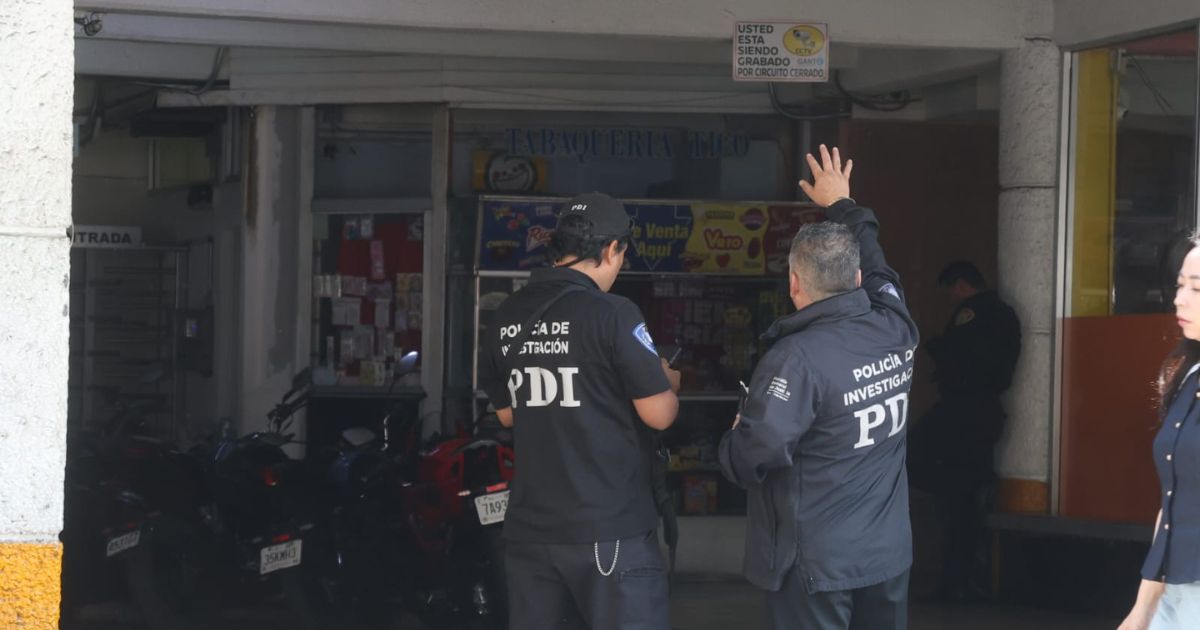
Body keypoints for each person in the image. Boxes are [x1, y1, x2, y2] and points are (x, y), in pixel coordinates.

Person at [719, 145, 919, 630]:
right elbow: (881, 269)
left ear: (793, 283)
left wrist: (735, 438)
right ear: (856, 278)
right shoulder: (895, 324)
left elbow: (757, 451)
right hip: (887, 554)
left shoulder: (796, 359)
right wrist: (843, 205)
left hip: (817, 563)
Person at [478, 192, 682, 630]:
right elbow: (659, 415)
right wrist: (668, 381)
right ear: (611, 250)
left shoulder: (507, 314)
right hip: (607, 529)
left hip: (530, 532)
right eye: (622, 254)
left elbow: (509, 415)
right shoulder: (614, 313)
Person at [908, 260, 1021, 601]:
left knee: (953, 498)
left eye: (951, 291)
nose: (951, 298)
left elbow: (961, 356)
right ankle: (959, 579)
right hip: (981, 415)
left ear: (960, 285)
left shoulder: (972, 312)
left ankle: (954, 581)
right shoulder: (1004, 312)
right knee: (964, 500)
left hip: (963, 414)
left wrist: (937, 347)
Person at [1119, 238, 1200, 629]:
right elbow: (1171, 505)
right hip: (1173, 593)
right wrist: (1141, 610)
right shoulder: (1186, 374)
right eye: (1180, 284)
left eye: (1197, 288)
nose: (1179, 300)